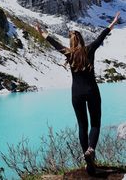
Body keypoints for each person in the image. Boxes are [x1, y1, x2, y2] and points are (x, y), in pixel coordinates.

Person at [36, 12, 120, 175]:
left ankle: (88, 163)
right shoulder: (89, 50)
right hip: (92, 91)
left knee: (82, 126)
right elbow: (101, 36)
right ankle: (91, 150)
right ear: (81, 40)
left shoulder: (69, 53)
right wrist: (113, 22)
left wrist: (42, 32)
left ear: (71, 42)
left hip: (76, 94)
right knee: (95, 124)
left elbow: (53, 43)